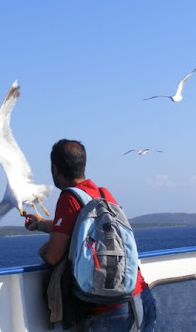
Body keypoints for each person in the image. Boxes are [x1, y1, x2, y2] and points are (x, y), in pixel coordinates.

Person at [25, 139, 156, 331]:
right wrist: (41, 225)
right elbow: (78, 227)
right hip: (140, 296)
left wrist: (43, 250)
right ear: (83, 164)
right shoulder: (103, 194)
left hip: (109, 310)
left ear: (54, 168)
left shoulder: (69, 198)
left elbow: (52, 256)